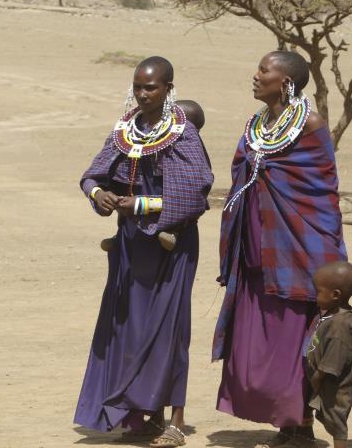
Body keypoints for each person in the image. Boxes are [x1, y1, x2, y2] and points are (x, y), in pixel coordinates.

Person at [74, 56, 213, 448]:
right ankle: (140, 413)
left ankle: (175, 421)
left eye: (150, 87)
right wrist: (98, 194)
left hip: (171, 244)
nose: (142, 93)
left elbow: (193, 194)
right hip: (132, 245)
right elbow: (91, 174)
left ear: (169, 88)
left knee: (169, 328)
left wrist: (138, 205)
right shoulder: (126, 131)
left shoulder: (183, 134)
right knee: (130, 325)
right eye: (137, 86)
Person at [213, 50, 347, 446]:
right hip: (258, 250)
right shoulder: (258, 124)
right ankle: (282, 419)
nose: (255, 77)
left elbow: (321, 192)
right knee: (259, 340)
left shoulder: (311, 125)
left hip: (297, 249)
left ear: (286, 82)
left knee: (295, 339)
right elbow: (242, 170)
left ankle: (299, 422)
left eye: (263, 71)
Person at [99, 98, 209, 253]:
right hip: (144, 202)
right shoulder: (160, 142)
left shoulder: (192, 151)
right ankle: (119, 235)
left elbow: (194, 194)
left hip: (173, 206)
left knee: (179, 214)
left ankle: (173, 232)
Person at [304, 261, 352, 448]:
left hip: (334, 384)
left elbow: (334, 359)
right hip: (325, 380)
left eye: (318, 291)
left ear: (336, 295)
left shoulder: (340, 325)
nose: (315, 295)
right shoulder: (334, 314)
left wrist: (317, 377)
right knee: (332, 417)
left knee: (337, 420)